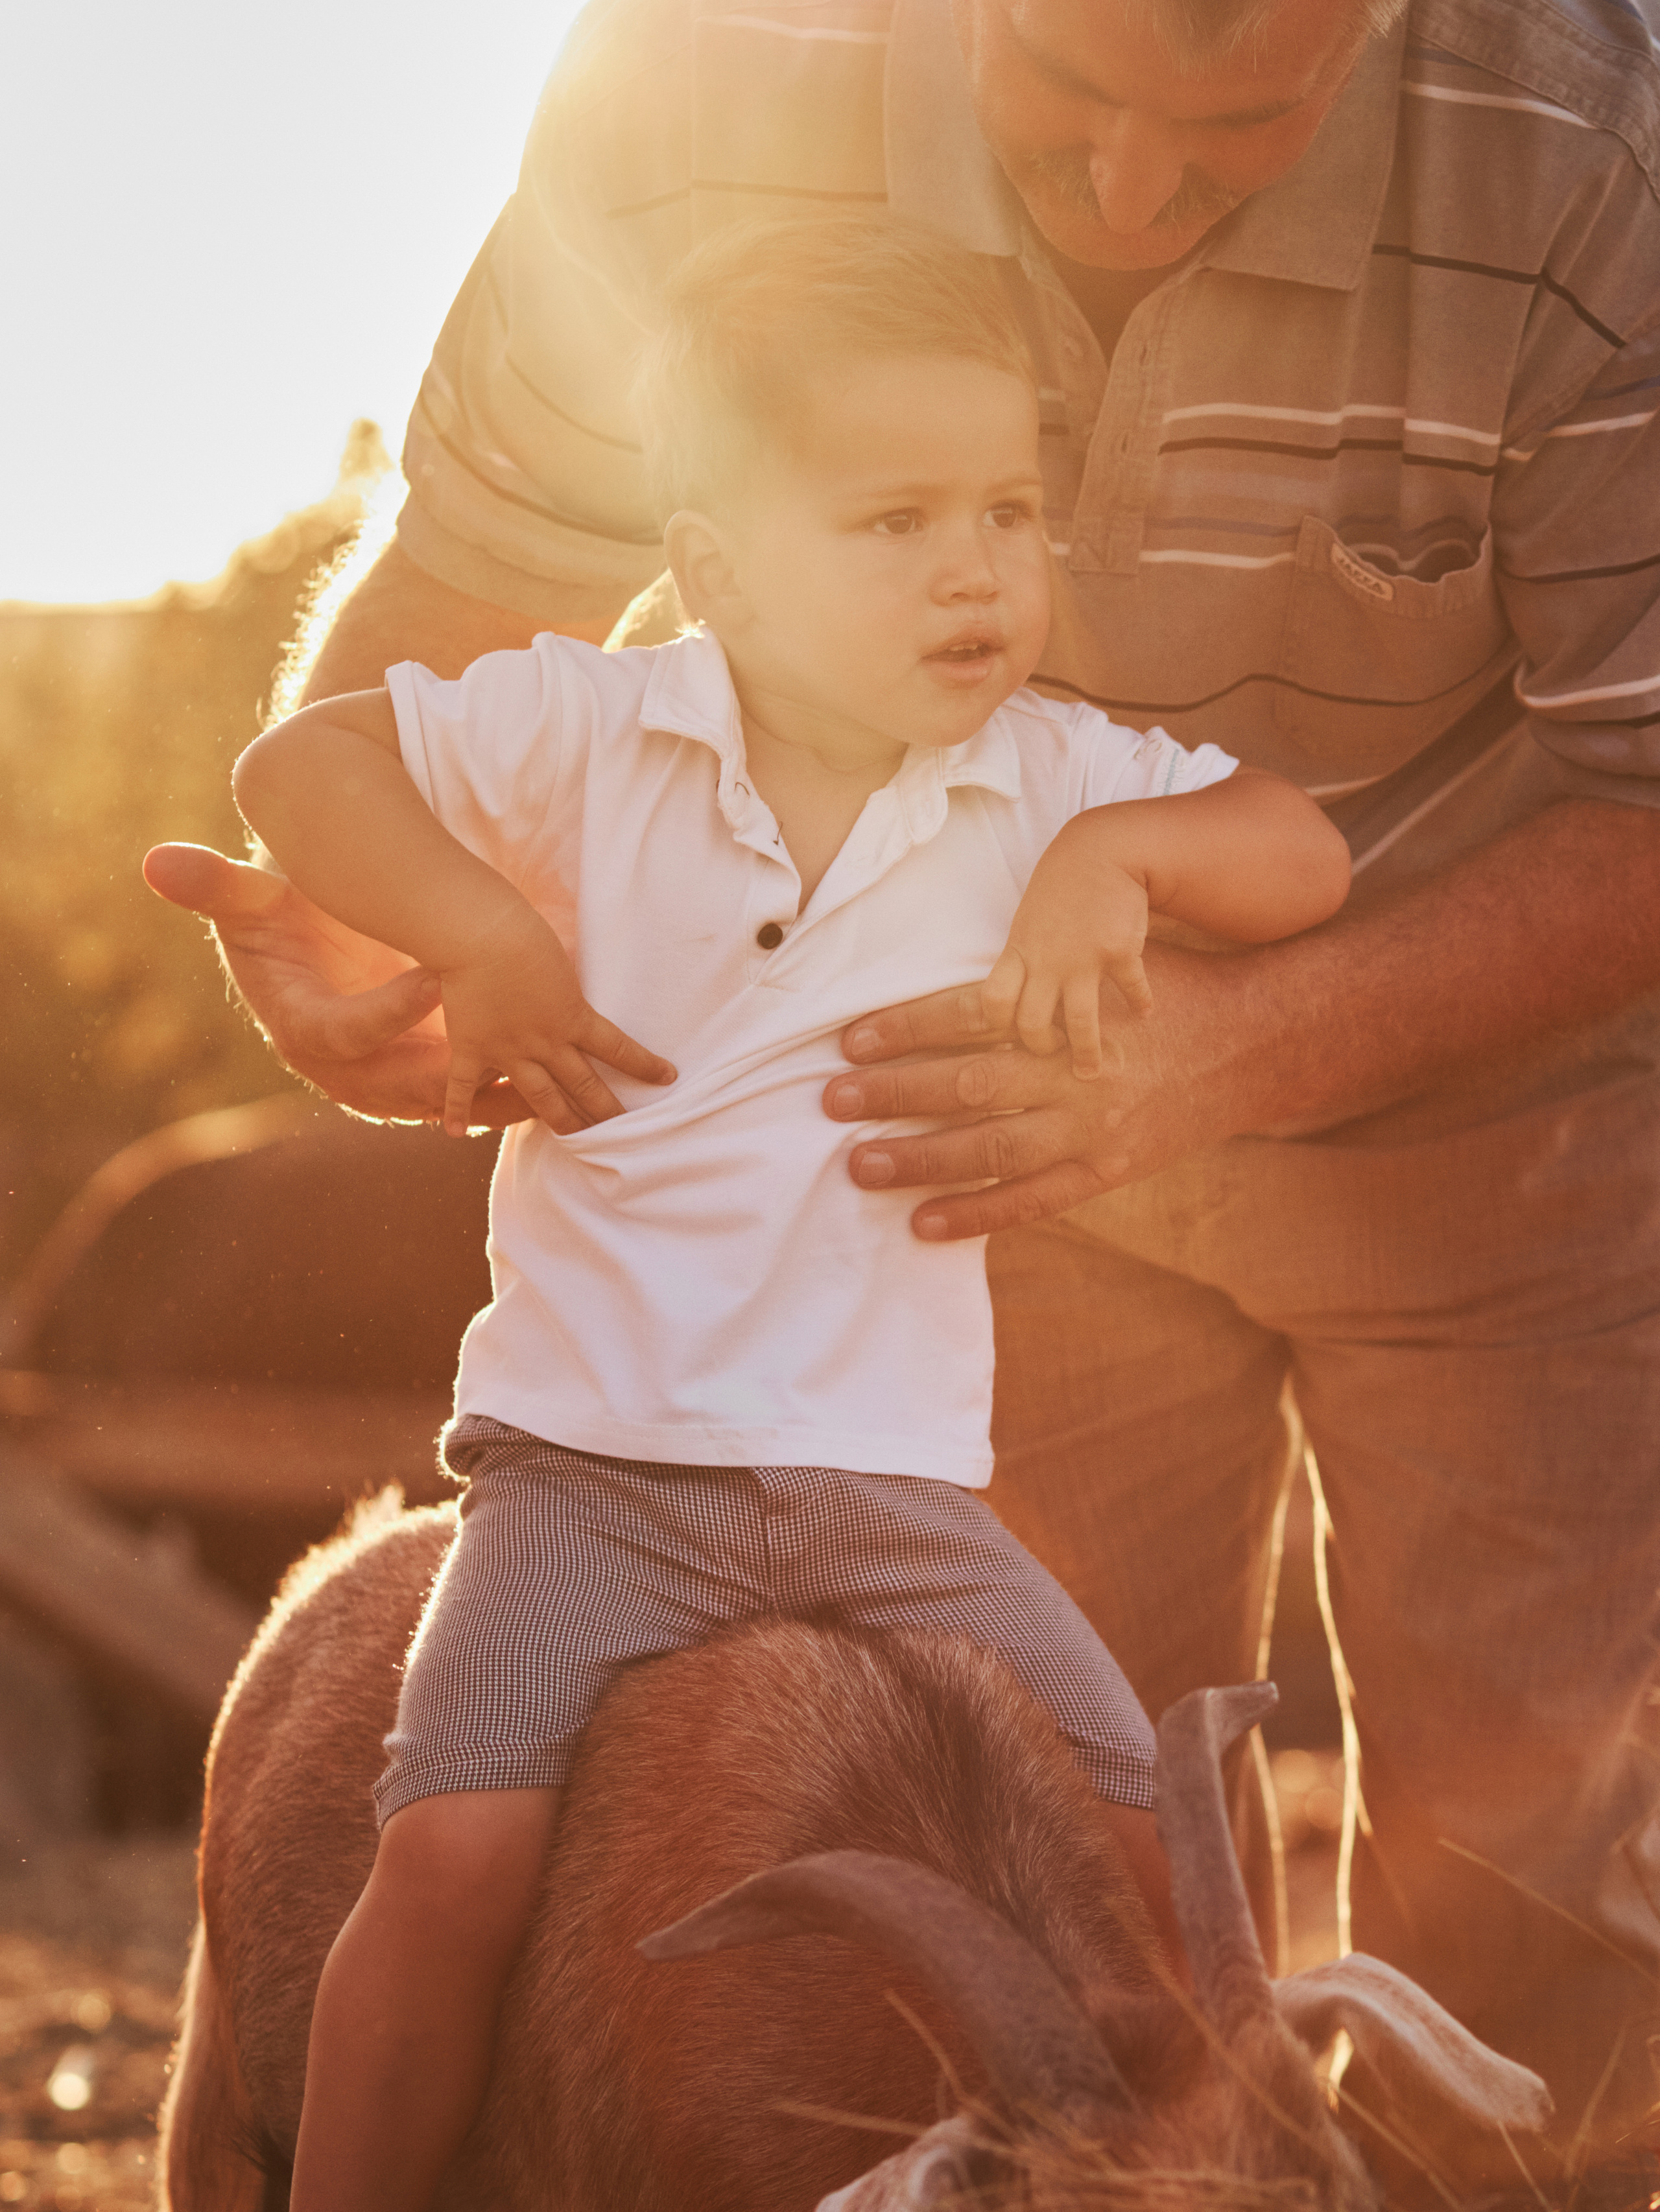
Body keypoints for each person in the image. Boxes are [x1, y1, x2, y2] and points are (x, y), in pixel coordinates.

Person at [143, 0, 1660, 2183]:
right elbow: (414, 659)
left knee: (1529, 1897)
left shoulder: (1594, 148)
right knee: (1027, 1940)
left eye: (1246, 114)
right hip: (964, 1176)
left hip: (1489, 1105)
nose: (1133, 192)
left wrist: (1199, 1003)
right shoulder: (692, 86)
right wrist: (407, 924)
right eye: (1068, 98)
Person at [223, 216, 1350, 2211]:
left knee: (1154, 1845)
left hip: (895, 1491)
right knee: (450, 1855)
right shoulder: (591, 730)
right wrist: (475, 921)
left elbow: (1303, 854)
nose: (978, 567)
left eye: (1010, 507)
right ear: (720, 570)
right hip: (596, 1478)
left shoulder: (1033, 775)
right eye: (897, 518)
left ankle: (1203, 2178)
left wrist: (1119, 855)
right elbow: (303, 760)